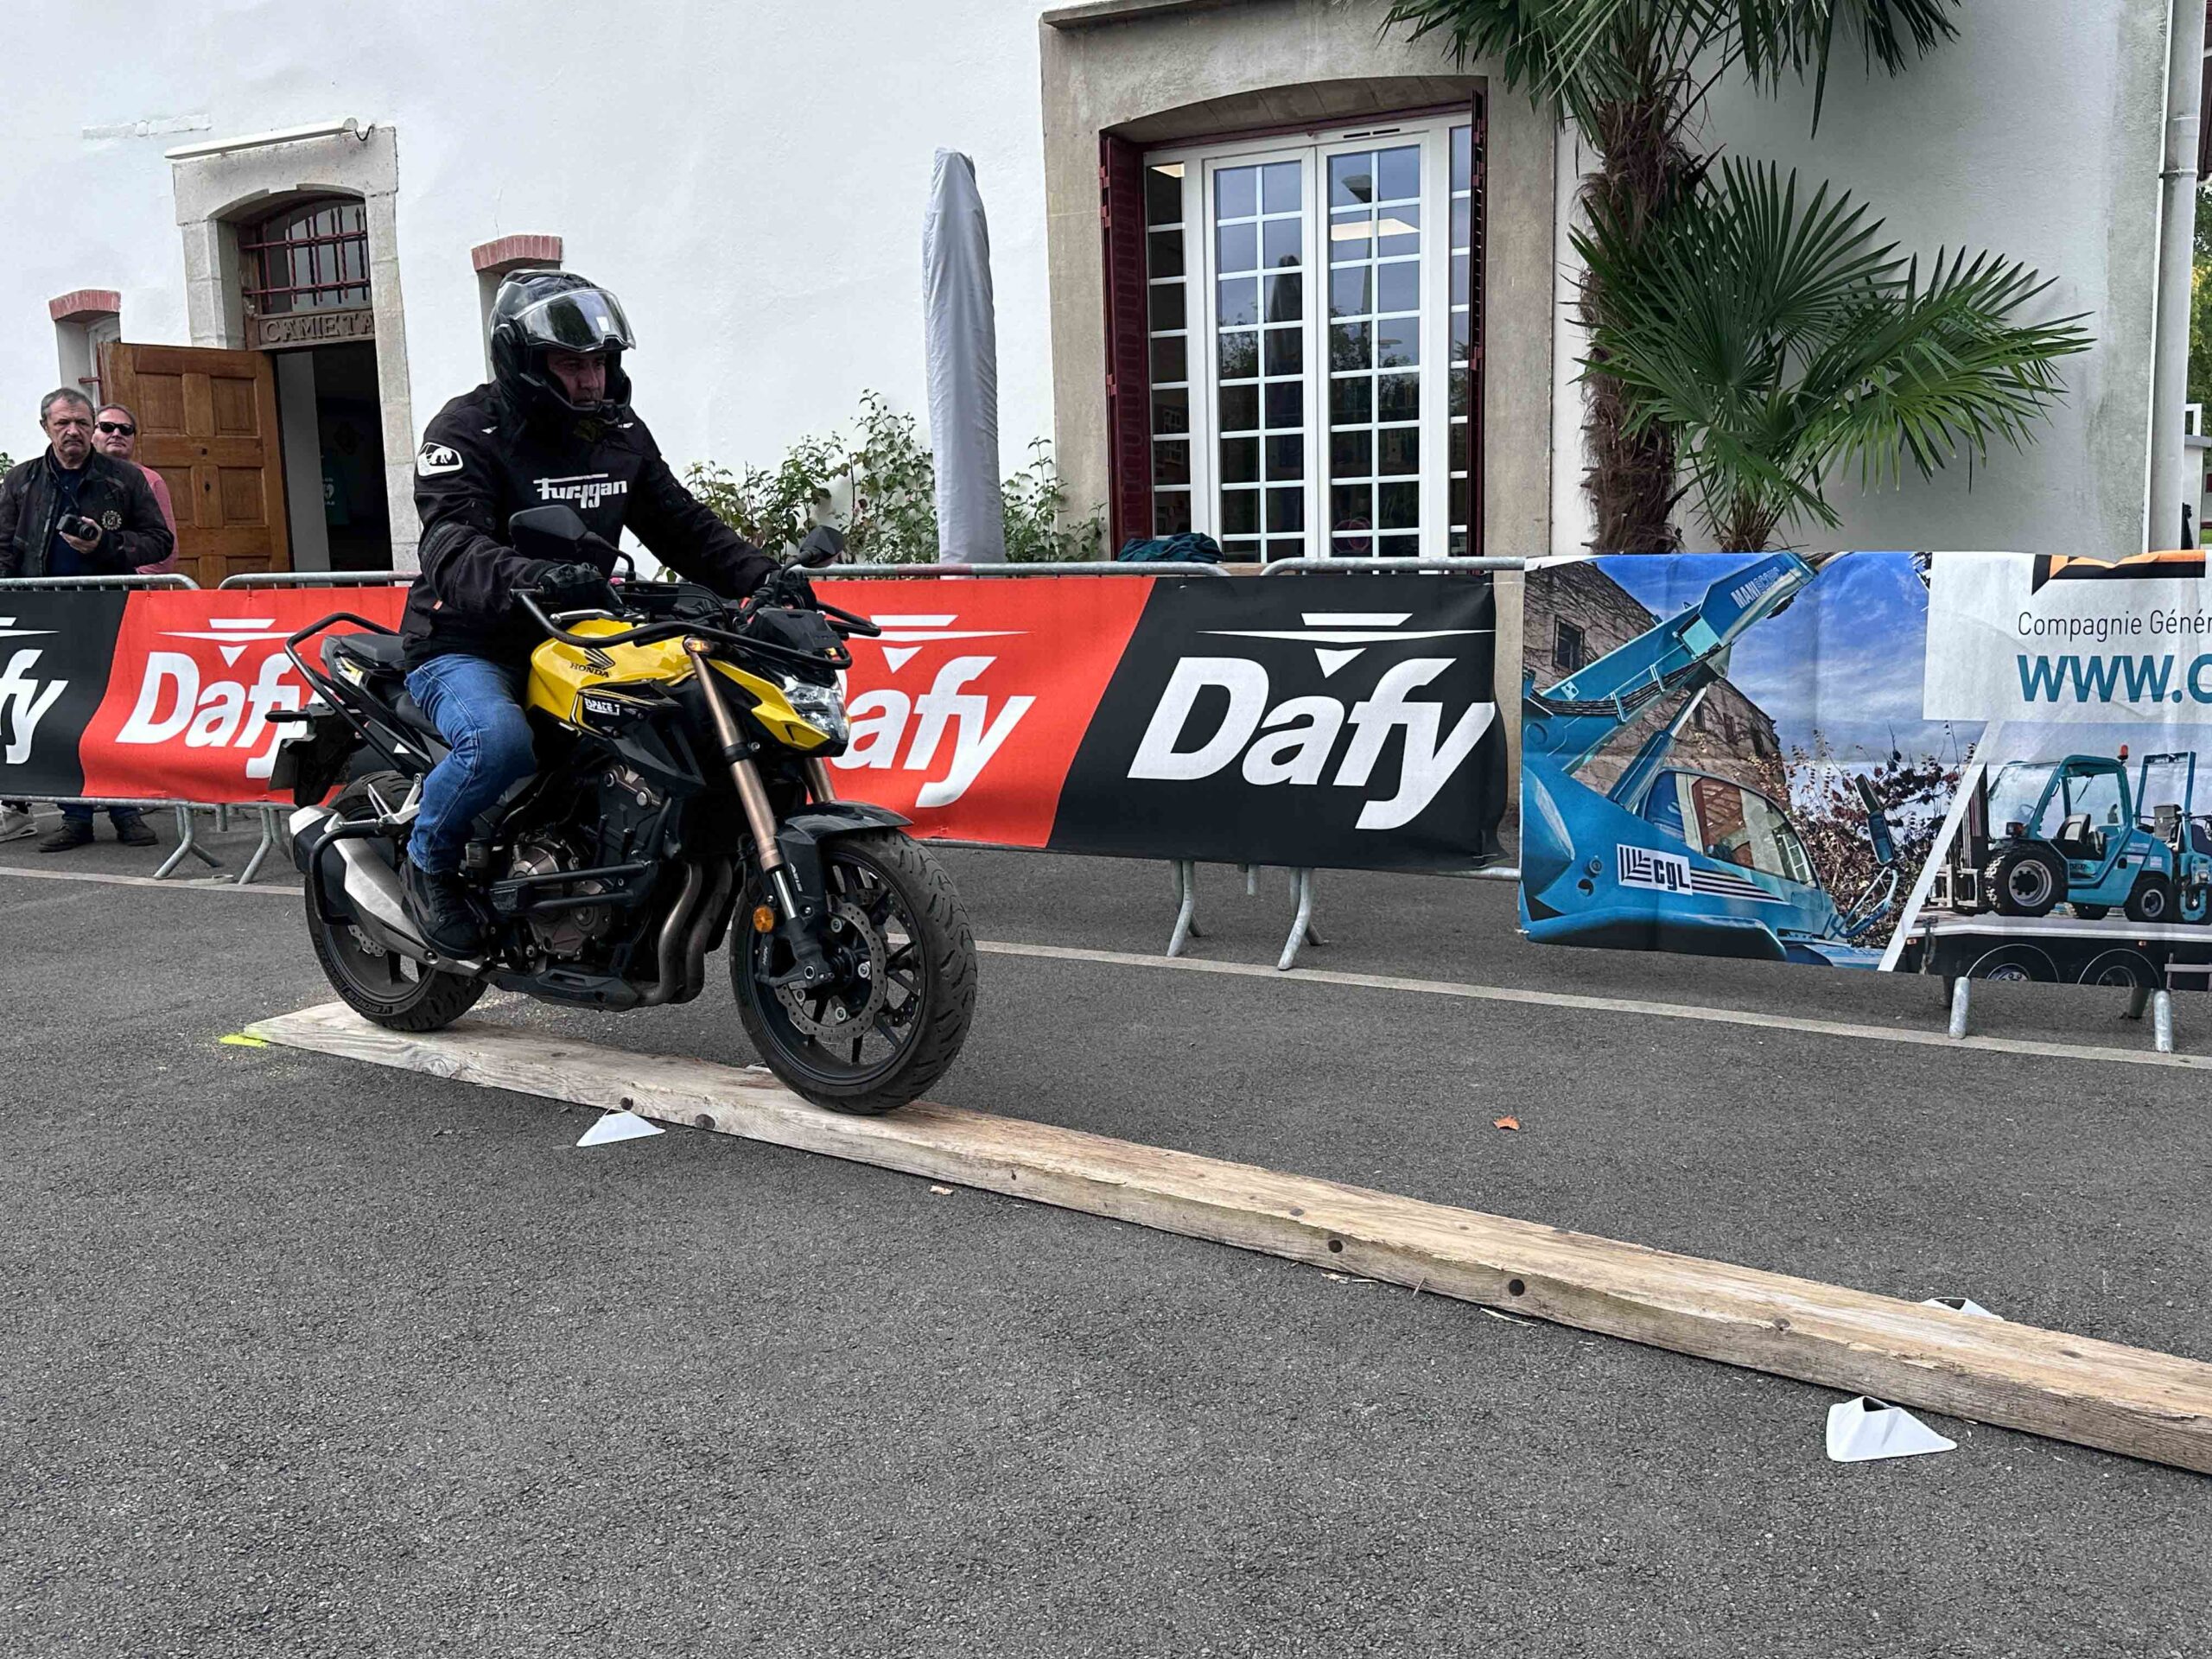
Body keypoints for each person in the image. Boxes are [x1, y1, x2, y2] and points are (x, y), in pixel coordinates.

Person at [399, 269, 776, 953]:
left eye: (600, 363)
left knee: (678, 717)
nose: (591, 381)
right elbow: (451, 546)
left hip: (582, 635)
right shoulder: (467, 429)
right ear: (524, 362)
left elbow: (682, 525)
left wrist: (768, 578)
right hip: (470, 642)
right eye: (572, 365)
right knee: (498, 743)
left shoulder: (617, 431)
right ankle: (428, 862)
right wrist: (538, 577)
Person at [0, 388, 175, 851]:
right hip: (45, 615)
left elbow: (159, 541)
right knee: (58, 715)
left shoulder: (124, 478)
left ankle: (126, 812)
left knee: (116, 711)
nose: (73, 432)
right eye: (63, 424)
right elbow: (3, 547)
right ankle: (73, 816)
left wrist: (107, 545)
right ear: (46, 428)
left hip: (109, 613)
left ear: (91, 425)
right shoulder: (21, 480)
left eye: (81, 422)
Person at [90, 403, 179, 575]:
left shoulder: (150, 480)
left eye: (126, 429)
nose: (117, 434)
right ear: (90, 434)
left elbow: (166, 546)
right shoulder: (71, 477)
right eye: (107, 427)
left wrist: (135, 581)